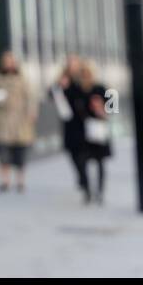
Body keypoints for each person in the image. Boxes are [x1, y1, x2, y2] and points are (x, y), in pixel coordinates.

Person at [0, 50, 37, 193]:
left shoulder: (22, 77)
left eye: (11, 61)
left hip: (20, 120)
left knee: (20, 151)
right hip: (3, 119)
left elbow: (30, 96)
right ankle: (5, 180)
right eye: (6, 61)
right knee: (3, 151)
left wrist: (31, 113)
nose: (8, 64)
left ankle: (20, 181)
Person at [74, 60, 112, 205]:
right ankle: (87, 190)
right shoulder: (77, 89)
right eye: (83, 74)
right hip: (82, 133)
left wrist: (102, 110)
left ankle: (100, 192)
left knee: (100, 163)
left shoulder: (100, 88)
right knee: (82, 161)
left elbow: (113, 105)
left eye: (88, 74)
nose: (86, 77)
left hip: (98, 131)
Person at [53, 55, 86, 193]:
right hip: (69, 121)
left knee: (83, 151)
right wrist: (61, 86)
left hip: (84, 120)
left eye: (74, 62)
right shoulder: (62, 79)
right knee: (72, 151)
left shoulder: (85, 76)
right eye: (70, 63)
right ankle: (81, 175)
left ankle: (84, 178)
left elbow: (102, 91)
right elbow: (52, 92)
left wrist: (108, 111)